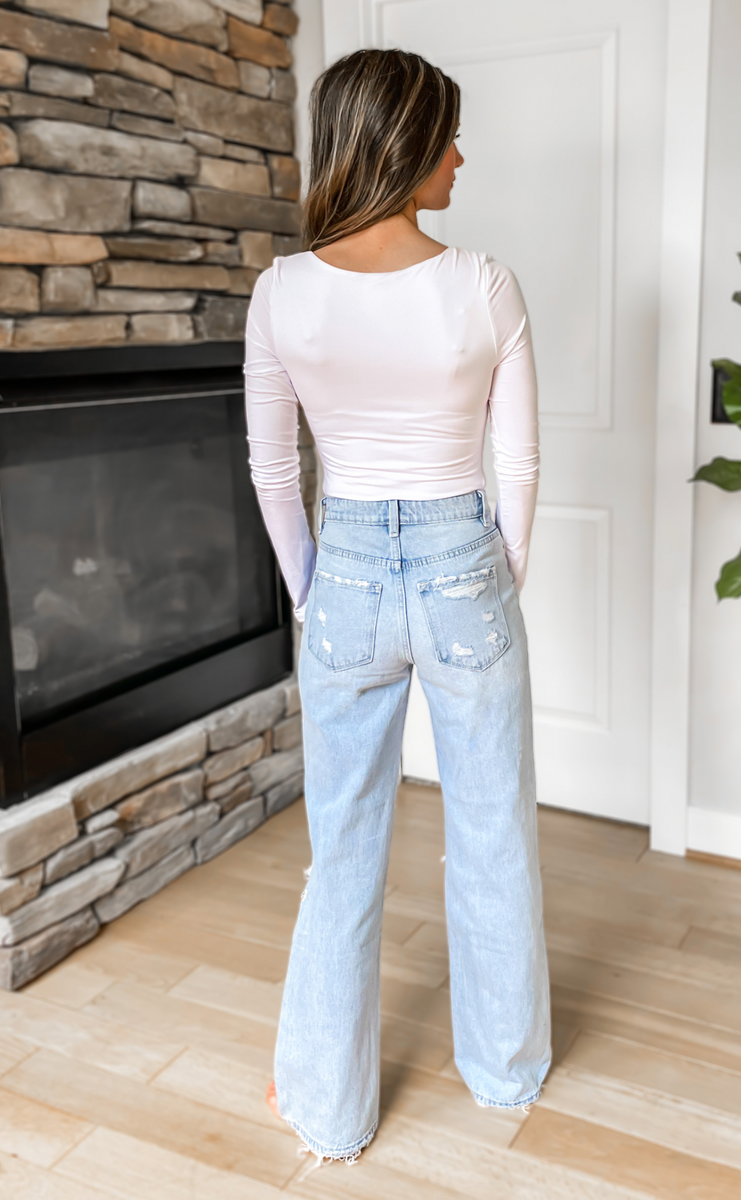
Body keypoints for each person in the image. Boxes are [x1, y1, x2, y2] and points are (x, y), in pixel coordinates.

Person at [244, 46, 551, 1167]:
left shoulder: (281, 294)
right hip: (464, 559)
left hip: (346, 578)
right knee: (491, 829)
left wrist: (313, 590)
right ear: (404, 143)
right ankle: (504, 1069)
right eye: (447, 137)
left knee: (342, 845)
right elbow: (518, 466)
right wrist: (495, 580)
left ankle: (329, 1110)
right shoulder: (483, 284)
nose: (460, 157)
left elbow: (275, 471)